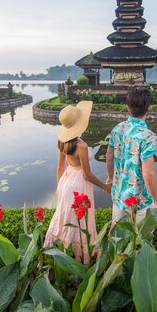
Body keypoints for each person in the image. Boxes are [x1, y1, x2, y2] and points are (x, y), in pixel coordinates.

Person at [44, 101, 111, 264]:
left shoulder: (62, 142)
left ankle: (62, 255)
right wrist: (104, 186)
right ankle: (81, 261)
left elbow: (59, 168)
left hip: (66, 182)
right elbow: (87, 174)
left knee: (64, 217)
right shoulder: (82, 145)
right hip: (79, 184)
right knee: (80, 221)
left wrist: (59, 188)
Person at [105, 88, 157, 224]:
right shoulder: (147, 137)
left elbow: (109, 156)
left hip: (119, 196)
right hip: (140, 201)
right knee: (142, 241)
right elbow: (148, 175)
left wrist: (109, 178)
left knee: (118, 240)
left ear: (127, 107)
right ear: (149, 108)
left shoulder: (118, 129)